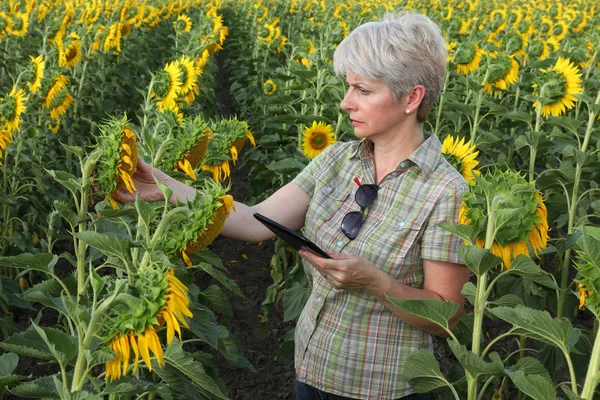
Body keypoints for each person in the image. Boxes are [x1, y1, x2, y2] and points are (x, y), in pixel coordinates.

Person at [115, 11, 470, 400]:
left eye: (363, 91)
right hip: (312, 371)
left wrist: (376, 283)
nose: (344, 103)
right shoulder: (336, 160)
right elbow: (255, 221)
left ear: (412, 97)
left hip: (382, 388)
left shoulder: (445, 191)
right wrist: (165, 187)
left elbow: (446, 315)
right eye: (347, 87)